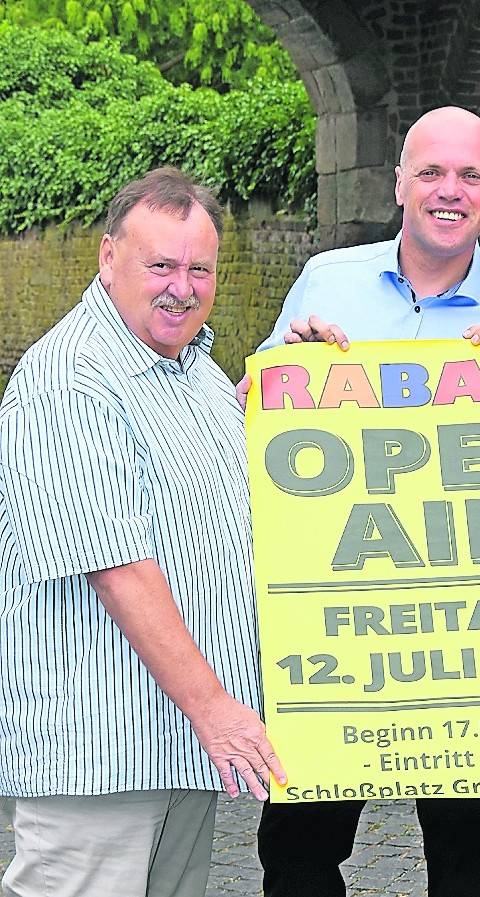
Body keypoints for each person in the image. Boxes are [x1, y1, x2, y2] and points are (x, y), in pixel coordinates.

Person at [252, 106, 480, 897]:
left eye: (468, 175)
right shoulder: (327, 284)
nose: (448, 190)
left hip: (461, 642)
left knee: (463, 865)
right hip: (338, 627)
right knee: (297, 849)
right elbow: (246, 415)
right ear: (399, 183)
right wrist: (286, 369)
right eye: (431, 172)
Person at [0, 168, 285, 897]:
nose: (180, 287)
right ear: (107, 258)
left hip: (176, 743)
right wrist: (215, 708)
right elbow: (115, 564)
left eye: (199, 269)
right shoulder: (71, 381)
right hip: (101, 753)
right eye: (160, 265)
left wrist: (301, 390)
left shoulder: (193, 371)